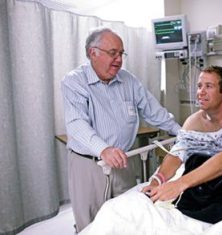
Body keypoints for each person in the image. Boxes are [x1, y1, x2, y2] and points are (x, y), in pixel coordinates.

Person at [61, 27, 181, 232]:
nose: (118, 59)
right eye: (112, 53)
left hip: (124, 160)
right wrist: (103, 149)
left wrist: (182, 132)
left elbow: (154, 111)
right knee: (91, 223)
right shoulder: (74, 81)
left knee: (127, 217)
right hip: (90, 164)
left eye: (121, 53)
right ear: (93, 53)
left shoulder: (128, 80)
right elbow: (76, 124)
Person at [142, 65, 222, 223]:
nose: (201, 92)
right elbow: (177, 155)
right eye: (199, 86)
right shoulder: (193, 122)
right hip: (198, 167)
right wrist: (157, 181)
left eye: (209, 86)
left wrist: (179, 184)